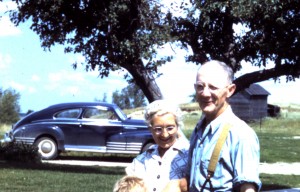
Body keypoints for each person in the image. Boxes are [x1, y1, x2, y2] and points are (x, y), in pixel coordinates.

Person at [185, 60, 262, 191]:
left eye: (213, 87)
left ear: (230, 90)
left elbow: (248, 188)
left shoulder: (241, 134)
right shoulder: (198, 130)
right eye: (200, 86)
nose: (205, 93)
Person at [125, 100, 190, 192]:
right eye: (158, 129)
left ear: (177, 126)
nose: (165, 134)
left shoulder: (189, 156)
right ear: (150, 128)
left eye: (170, 128)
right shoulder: (141, 160)